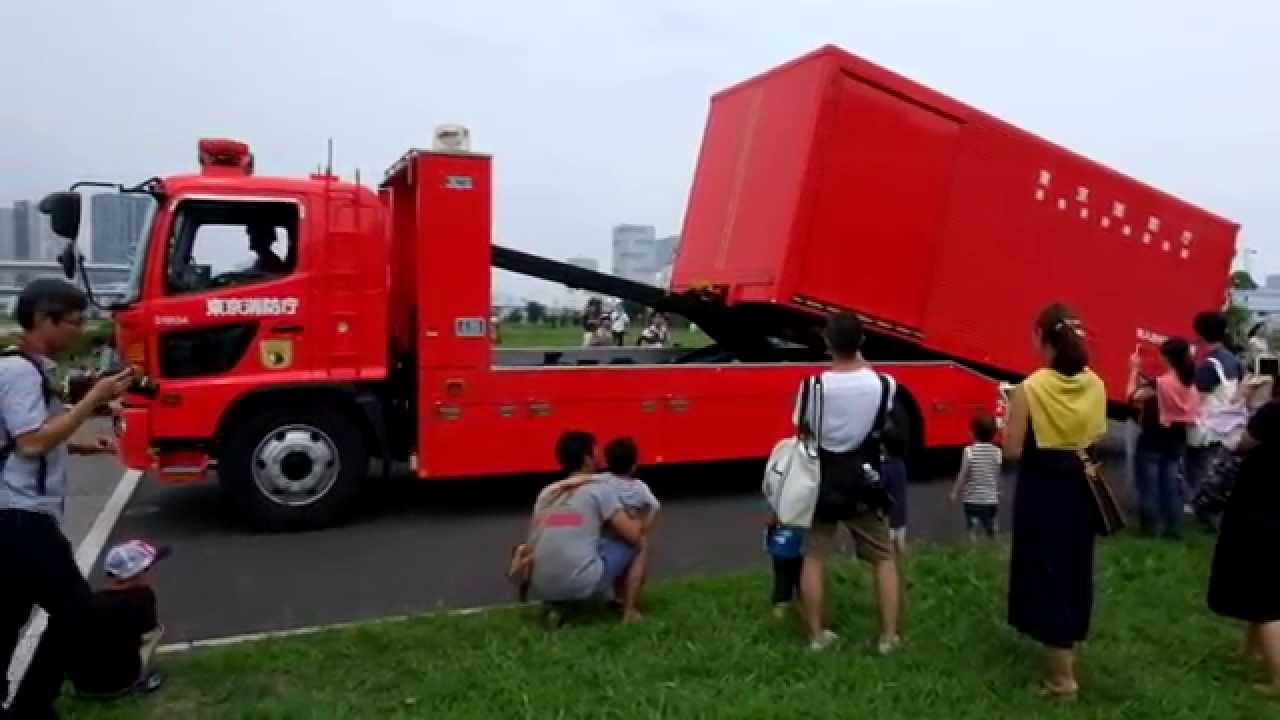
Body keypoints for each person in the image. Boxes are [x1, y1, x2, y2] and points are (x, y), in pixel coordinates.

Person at [1, 278, 133, 719]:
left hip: (17, 516)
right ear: (43, 320)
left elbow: (23, 439)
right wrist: (91, 401)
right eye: (73, 322)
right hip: (21, 518)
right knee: (76, 611)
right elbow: (31, 443)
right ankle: (32, 709)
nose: (79, 331)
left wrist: (78, 445)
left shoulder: (28, 367)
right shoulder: (20, 371)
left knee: (8, 619)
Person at [1002, 303, 1107, 700]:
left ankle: (1062, 680)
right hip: (1080, 486)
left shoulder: (1029, 388)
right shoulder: (1096, 384)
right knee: (1073, 572)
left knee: (1045, 574)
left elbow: (1012, 450)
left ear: (1042, 338)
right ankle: (1064, 657)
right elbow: (1095, 437)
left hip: (1042, 488)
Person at [792, 312, 901, 654]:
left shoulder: (813, 387)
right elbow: (883, 424)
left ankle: (816, 635)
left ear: (826, 342)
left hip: (821, 479)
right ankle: (888, 637)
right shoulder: (885, 385)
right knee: (883, 558)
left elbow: (802, 427)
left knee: (813, 556)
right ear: (862, 342)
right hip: (865, 479)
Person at [525, 431, 646, 628]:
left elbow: (564, 524)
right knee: (640, 544)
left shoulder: (547, 492)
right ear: (587, 459)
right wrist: (641, 519)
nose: (600, 455)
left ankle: (556, 608)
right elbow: (633, 534)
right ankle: (629, 611)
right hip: (579, 583)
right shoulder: (599, 489)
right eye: (596, 450)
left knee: (577, 545)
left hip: (539, 585)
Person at [1207, 394, 1280, 697]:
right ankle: (1251, 650)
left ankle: (1278, 678)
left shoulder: (1274, 411)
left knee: (1265, 598)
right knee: (1262, 584)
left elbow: (1242, 444)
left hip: (1261, 507)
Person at [69, 540, 168, 699]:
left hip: (81, 685)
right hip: (117, 685)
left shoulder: (91, 600)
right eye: (148, 569)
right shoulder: (142, 597)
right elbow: (147, 634)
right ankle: (140, 678)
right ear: (137, 573)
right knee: (157, 631)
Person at [1127, 338, 1199, 538]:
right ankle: (1173, 529)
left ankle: (1150, 530)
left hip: (1153, 437)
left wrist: (1134, 369)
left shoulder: (1160, 383)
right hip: (1177, 437)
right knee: (1170, 485)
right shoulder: (1189, 383)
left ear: (1166, 357)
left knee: (1148, 485)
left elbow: (1132, 396)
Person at [1187, 311, 1247, 530]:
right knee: (1214, 469)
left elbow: (1197, 398)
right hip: (1228, 426)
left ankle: (1199, 511)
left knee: (1197, 467)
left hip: (1207, 426)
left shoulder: (1209, 366)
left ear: (1200, 335)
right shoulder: (1234, 361)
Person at [597, 437, 659, 622]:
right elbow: (655, 506)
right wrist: (645, 527)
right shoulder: (640, 488)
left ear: (607, 462)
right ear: (634, 465)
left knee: (618, 565)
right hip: (630, 532)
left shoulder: (603, 480)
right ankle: (630, 606)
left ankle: (617, 597)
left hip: (607, 532)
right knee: (638, 553)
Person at [949, 415, 1003, 542]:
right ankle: (993, 548)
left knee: (972, 530)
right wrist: (999, 490)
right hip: (990, 500)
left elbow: (963, 474)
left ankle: (974, 551)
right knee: (992, 529)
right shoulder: (997, 452)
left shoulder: (969, 451)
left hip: (971, 500)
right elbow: (997, 475)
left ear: (973, 433)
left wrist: (954, 492)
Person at [882, 431, 909, 556]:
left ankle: (893, 568)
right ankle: (907, 566)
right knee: (901, 542)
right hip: (901, 510)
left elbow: (881, 486)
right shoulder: (901, 465)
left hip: (889, 512)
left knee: (889, 544)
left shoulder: (886, 467)